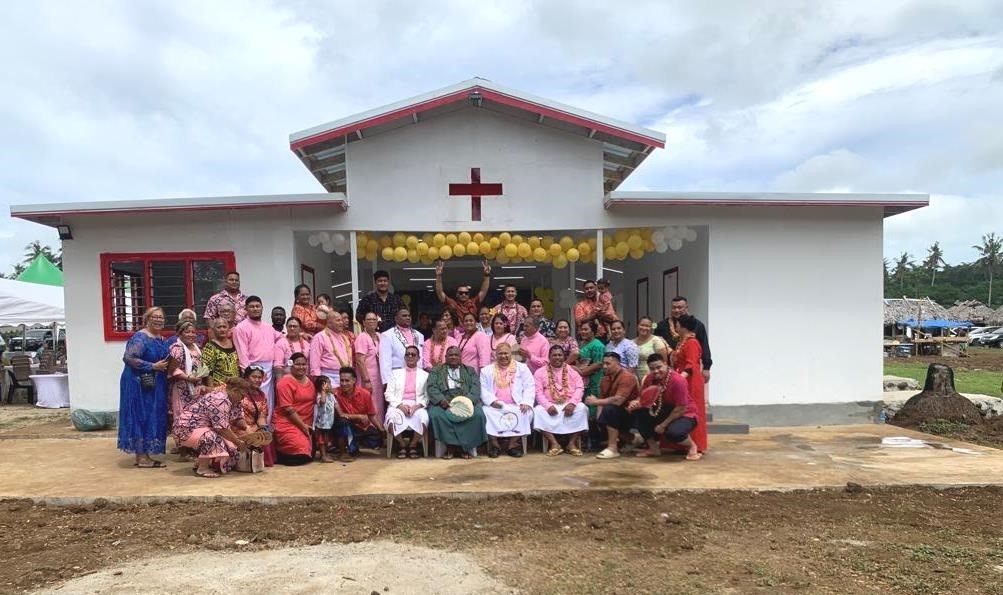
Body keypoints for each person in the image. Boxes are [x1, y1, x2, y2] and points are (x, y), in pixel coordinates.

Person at [118, 307, 170, 468]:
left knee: (151, 415)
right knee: (140, 415)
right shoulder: (141, 337)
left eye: (161, 317)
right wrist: (152, 366)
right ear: (147, 319)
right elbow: (129, 357)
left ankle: (145, 455)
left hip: (155, 383)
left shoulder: (161, 338)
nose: (158, 320)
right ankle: (141, 457)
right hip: (138, 382)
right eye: (155, 317)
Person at [174, 377, 251, 478]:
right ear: (235, 391)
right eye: (242, 395)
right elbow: (221, 429)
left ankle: (202, 462)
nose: (243, 398)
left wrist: (247, 429)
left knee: (232, 448)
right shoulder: (220, 399)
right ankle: (203, 468)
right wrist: (238, 442)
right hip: (186, 429)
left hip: (204, 428)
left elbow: (238, 418)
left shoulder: (235, 400)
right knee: (213, 437)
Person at [631, 354, 701, 460]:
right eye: (652, 369)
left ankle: (692, 446)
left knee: (674, 433)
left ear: (665, 364)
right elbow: (642, 397)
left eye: (659, 367)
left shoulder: (678, 381)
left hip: (685, 413)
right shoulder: (649, 379)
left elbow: (681, 408)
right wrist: (635, 402)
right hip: (663, 409)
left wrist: (663, 425)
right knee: (638, 413)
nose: (656, 371)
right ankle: (653, 448)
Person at [426, 346, 486, 459]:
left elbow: (475, 388)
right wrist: (441, 400)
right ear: (446, 357)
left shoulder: (470, 370)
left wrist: (467, 401)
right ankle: (450, 447)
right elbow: (431, 387)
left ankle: (465, 447)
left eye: (456, 355)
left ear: (461, 357)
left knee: (478, 415)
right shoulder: (436, 370)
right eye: (451, 355)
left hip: (465, 400)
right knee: (436, 415)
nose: (453, 357)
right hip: (444, 401)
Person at [479, 343, 534, 458]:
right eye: (500, 353)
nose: (503, 356)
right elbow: (483, 389)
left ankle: (512, 445)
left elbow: (530, 386)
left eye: (506, 353)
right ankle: (495, 445)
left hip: (517, 404)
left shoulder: (522, 368)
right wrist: (492, 401)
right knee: (485, 412)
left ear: (511, 354)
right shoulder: (486, 370)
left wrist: (526, 402)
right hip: (495, 405)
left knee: (526, 412)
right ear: (495, 355)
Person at [533, 344, 588, 457]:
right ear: (549, 357)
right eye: (554, 355)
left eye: (560, 355)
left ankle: (571, 444)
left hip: (569, 404)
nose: (557, 357)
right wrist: (548, 406)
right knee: (538, 411)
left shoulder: (572, 371)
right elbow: (538, 392)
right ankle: (554, 444)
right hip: (550, 405)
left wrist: (573, 403)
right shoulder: (540, 372)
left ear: (564, 356)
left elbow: (580, 387)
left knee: (582, 408)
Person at [232, 296, 281, 417]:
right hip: (252, 369)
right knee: (253, 402)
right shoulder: (241, 328)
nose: (255, 309)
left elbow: (281, 338)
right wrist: (249, 374)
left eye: (257, 306)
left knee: (268, 400)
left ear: (262, 308)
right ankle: (255, 433)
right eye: (252, 307)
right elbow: (242, 353)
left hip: (269, 369)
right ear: (246, 310)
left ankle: (266, 430)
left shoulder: (268, 327)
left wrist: (300, 334)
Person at [585, 352, 640, 459]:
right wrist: (599, 420)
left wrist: (595, 402)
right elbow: (602, 400)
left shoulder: (627, 377)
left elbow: (618, 400)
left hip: (632, 413)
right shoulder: (605, 379)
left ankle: (612, 448)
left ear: (618, 363)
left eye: (608, 363)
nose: (605, 366)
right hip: (616, 413)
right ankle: (633, 439)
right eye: (603, 364)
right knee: (597, 420)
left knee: (610, 410)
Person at [671, 315, 708, 453]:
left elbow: (691, 365)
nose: (676, 327)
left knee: (691, 410)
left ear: (683, 327)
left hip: (690, 381)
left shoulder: (692, 343)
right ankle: (681, 443)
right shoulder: (683, 342)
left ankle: (695, 444)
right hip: (684, 378)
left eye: (678, 324)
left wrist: (679, 380)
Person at [653, 296, 712, 383]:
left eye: (680, 307)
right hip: (667, 369)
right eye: (674, 307)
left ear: (686, 308)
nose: (676, 310)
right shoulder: (661, 326)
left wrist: (706, 368)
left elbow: (704, 346)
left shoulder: (697, 325)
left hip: (688, 372)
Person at [384, 346, 429, 458]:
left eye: (413, 354)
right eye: (407, 354)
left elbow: (427, 396)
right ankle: (402, 444)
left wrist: (417, 406)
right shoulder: (395, 373)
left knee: (423, 419)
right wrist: (399, 405)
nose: (410, 356)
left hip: (417, 404)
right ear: (404, 357)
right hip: (398, 403)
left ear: (418, 358)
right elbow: (388, 394)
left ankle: (413, 445)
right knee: (391, 421)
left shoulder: (425, 375)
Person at [272, 352, 315, 465]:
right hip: (287, 422)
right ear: (291, 365)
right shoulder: (285, 382)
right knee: (300, 453)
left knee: (309, 455)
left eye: (304, 364)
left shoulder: (310, 381)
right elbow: (288, 409)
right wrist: (303, 427)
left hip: (306, 422)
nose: (301, 367)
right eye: (298, 364)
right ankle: (279, 453)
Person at [332, 366, 384, 457]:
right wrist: (358, 416)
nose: (344, 383)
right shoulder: (335, 393)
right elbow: (341, 416)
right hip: (344, 427)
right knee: (342, 421)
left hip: (361, 427)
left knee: (377, 439)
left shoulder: (365, 394)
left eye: (347, 381)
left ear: (354, 380)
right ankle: (344, 452)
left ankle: (354, 444)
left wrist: (381, 430)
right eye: (342, 380)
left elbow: (371, 415)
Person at [234, 366, 275, 467]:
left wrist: (264, 428)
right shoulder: (239, 393)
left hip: (254, 426)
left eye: (260, 377)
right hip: (237, 426)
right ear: (246, 378)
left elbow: (261, 416)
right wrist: (247, 429)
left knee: (264, 435)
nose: (257, 380)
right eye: (254, 377)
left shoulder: (262, 395)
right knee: (249, 437)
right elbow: (235, 415)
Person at [167, 320, 205, 423]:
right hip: (182, 388)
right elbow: (172, 369)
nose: (191, 335)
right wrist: (188, 378)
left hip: (196, 388)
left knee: (196, 417)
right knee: (183, 417)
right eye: (187, 332)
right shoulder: (177, 348)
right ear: (179, 333)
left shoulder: (197, 348)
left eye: (193, 332)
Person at [378, 307, 424, 389]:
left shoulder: (419, 335)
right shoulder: (387, 335)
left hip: (417, 376)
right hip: (396, 376)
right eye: (404, 316)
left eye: (409, 316)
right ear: (396, 319)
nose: (408, 318)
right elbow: (385, 361)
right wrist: (387, 382)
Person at [434, 260, 492, 324]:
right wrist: (438, 275)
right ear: (457, 294)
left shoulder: (474, 302)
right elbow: (440, 292)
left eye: (466, 293)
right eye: (461, 293)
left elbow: (483, 291)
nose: (463, 294)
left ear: (469, 295)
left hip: (472, 332)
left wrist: (487, 275)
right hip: (457, 332)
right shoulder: (453, 304)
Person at [309, 307, 355, 387]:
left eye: (341, 320)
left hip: (346, 377)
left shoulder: (345, 337)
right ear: (329, 323)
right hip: (328, 377)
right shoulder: (319, 337)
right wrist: (318, 381)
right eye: (338, 320)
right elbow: (314, 362)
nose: (341, 323)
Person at [354, 311, 385, 421]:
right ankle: (371, 431)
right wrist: (366, 380)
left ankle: (380, 430)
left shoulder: (380, 336)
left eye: (374, 319)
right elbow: (359, 360)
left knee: (379, 404)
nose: (372, 321)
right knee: (369, 403)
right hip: (367, 378)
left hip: (379, 379)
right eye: (369, 319)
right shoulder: (362, 337)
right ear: (363, 322)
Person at [202, 318, 239, 387]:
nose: (222, 330)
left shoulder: (234, 343)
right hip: (219, 389)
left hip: (235, 387)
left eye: (224, 327)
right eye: (219, 327)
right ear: (214, 329)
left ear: (228, 329)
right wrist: (212, 390)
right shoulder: (210, 347)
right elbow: (207, 371)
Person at [633, 316, 670, 382]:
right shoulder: (631, 342)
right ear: (637, 326)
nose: (644, 328)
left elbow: (664, 362)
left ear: (651, 328)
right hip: (635, 379)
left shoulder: (656, 341)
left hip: (653, 378)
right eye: (642, 325)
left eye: (647, 326)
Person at [313, 375, 337, 463]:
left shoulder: (331, 395)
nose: (331, 385)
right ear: (323, 386)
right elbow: (322, 402)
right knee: (322, 440)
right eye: (329, 383)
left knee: (327, 440)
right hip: (322, 424)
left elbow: (336, 405)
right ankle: (323, 455)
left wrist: (342, 414)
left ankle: (325, 453)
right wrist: (323, 391)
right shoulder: (319, 396)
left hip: (329, 422)